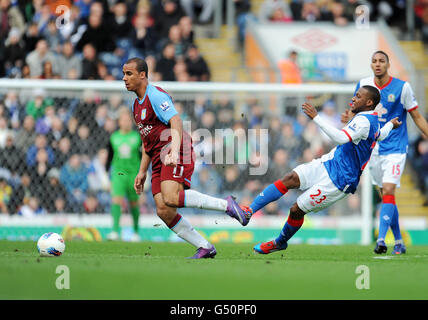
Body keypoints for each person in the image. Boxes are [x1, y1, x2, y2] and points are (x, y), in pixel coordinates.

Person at [237, 86, 401, 254]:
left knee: (296, 209)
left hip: (340, 180)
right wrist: (390, 125)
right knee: (290, 178)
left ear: (369, 102)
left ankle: (280, 242)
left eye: (358, 96)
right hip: (329, 162)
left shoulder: (364, 121)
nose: (353, 98)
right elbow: (380, 134)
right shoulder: (370, 119)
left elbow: (341, 138)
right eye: (354, 95)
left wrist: (316, 117)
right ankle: (250, 211)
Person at [122, 57, 246, 258]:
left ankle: (227, 205)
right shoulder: (136, 106)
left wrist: (173, 151)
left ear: (142, 75)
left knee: (171, 197)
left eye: (129, 74)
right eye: (123, 74)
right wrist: (142, 171)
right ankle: (205, 246)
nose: (124, 78)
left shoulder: (154, 95)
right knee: (163, 210)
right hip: (158, 156)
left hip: (175, 147)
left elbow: (176, 120)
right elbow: (147, 143)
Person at [342, 51, 428, 255]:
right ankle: (398, 240)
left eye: (382, 61)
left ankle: (381, 239)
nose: (378, 64)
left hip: (396, 147)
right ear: (371, 65)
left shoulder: (402, 87)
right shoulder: (363, 84)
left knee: (389, 190)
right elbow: (355, 110)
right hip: (373, 148)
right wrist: (348, 118)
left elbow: (416, 116)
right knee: (386, 195)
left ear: (388, 64)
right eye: (374, 61)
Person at [105, 108, 142, 242]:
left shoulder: (137, 137)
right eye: (123, 120)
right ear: (119, 122)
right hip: (118, 173)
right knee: (116, 200)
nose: (126, 122)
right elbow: (109, 157)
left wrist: (145, 174)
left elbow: (142, 156)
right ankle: (115, 231)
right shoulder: (114, 137)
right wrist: (105, 175)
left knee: (134, 202)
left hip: (133, 174)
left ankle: (136, 232)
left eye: (128, 120)